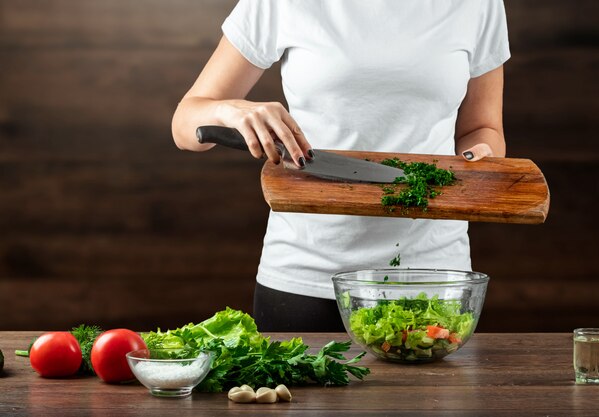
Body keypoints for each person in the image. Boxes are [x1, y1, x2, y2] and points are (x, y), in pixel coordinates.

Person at [171, 0, 510, 332]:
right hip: (304, 278)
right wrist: (230, 111)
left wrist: (481, 158)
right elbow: (185, 125)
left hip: (433, 279)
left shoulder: (478, 4)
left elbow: (483, 129)